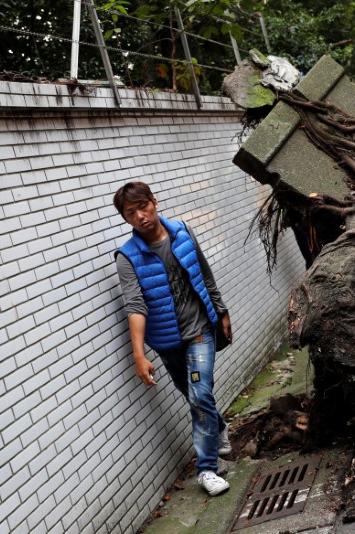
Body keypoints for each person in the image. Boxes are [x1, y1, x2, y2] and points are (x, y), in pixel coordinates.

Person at [113, 181, 233, 496]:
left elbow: (205, 274)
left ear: (154, 201)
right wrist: (139, 355)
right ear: (125, 218)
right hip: (167, 343)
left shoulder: (182, 232)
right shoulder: (127, 257)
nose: (140, 216)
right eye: (130, 212)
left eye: (143, 206)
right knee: (194, 395)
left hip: (199, 331)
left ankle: (207, 469)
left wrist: (221, 311)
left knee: (199, 396)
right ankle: (219, 427)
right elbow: (135, 306)